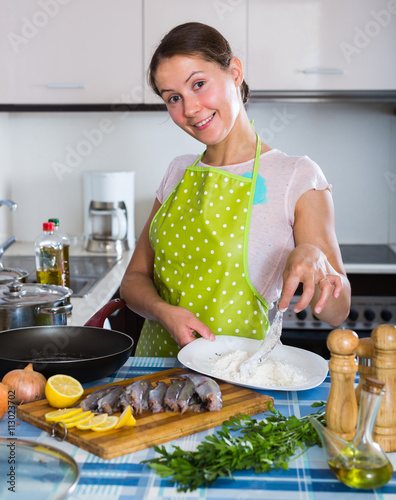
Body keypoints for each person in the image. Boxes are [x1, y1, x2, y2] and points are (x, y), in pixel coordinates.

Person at [120, 22, 351, 357]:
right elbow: (133, 281)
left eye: (198, 84)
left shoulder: (296, 176)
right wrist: (163, 312)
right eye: (174, 98)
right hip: (157, 374)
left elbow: (338, 312)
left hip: (240, 384)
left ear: (235, 72)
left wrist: (316, 263)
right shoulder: (177, 172)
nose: (190, 109)